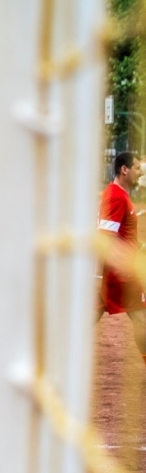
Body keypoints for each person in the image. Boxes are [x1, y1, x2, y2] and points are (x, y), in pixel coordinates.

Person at [96, 151, 146, 367]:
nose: (139, 172)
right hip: (122, 273)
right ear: (124, 169)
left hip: (114, 271)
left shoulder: (117, 194)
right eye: (136, 167)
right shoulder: (116, 196)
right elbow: (106, 237)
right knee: (142, 318)